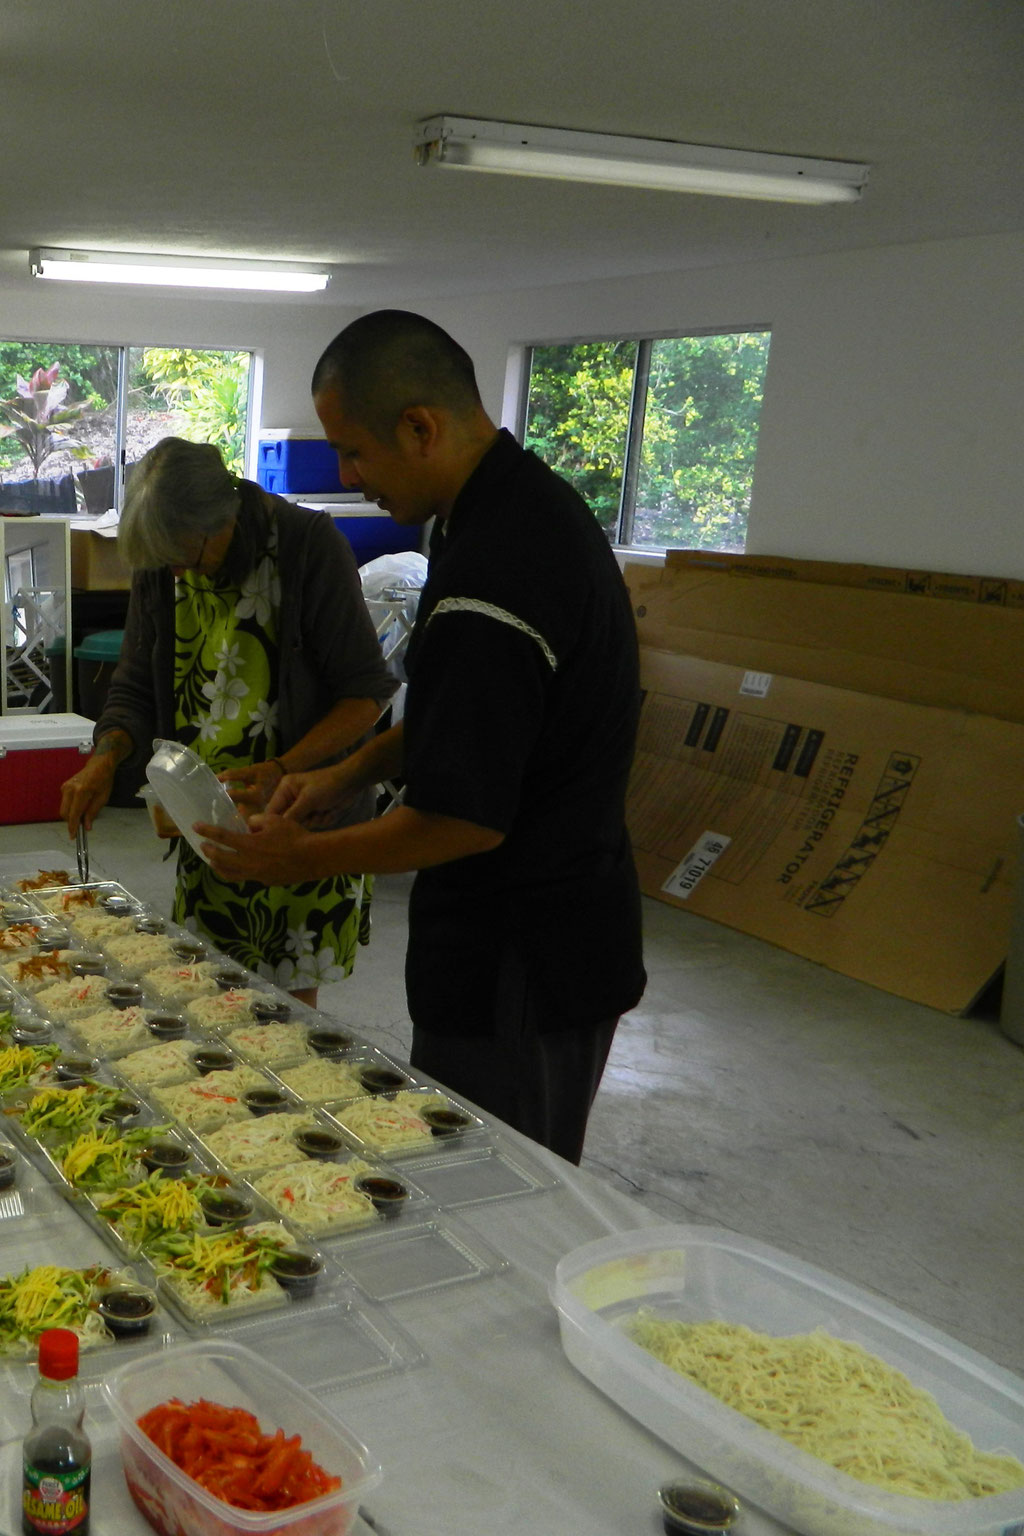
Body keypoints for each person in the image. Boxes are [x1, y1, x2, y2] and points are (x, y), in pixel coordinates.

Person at [197, 311, 645, 1163]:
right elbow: (464, 716)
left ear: (420, 426)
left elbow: (465, 818)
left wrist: (299, 859)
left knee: (500, 1189)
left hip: (523, 960)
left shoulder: (496, 573)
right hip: (542, 941)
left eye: (355, 452)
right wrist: (340, 773)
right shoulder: (513, 513)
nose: (346, 475)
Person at [59, 437, 396, 1005]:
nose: (180, 572)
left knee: (285, 1014)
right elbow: (135, 683)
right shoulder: (165, 562)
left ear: (225, 518)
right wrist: (106, 757)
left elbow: (366, 694)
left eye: (189, 557)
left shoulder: (308, 547)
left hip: (299, 821)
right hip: (208, 826)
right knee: (211, 997)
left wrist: (283, 768)